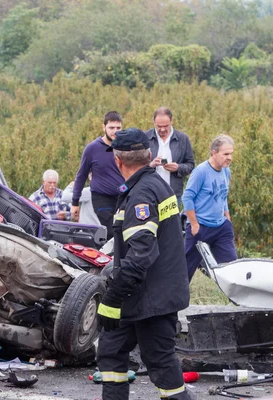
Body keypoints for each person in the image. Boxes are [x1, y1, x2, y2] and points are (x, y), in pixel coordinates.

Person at [96, 128, 191, 400]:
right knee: (111, 350)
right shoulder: (155, 184)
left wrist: (111, 300)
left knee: (161, 364)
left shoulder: (141, 195)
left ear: (118, 161)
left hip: (151, 298)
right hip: (139, 295)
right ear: (149, 155)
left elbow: (141, 255)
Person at [182, 134, 237, 282]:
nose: (229, 157)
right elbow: (187, 198)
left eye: (231, 154)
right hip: (200, 227)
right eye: (226, 154)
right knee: (186, 269)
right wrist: (193, 224)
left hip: (221, 227)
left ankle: (238, 299)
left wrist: (227, 217)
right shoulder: (201, 171)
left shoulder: (226, 170)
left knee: (232, 267)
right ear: (214, 153)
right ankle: (173, 300)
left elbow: (222, 194)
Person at [71, 111, 125, 239]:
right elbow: (81, 176)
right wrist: (74, 202)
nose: (115, 131)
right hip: (102, 198)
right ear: (104, 127)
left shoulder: (125, 147)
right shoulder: (92, 148)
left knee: (124, 230)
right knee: (112, 231)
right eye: (111, 128)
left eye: (118, 128)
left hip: (123, 196)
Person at [145, 107, 195, 207]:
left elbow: (190, 164)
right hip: (150, 193)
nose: (162, 129)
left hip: (174, 195)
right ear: (153, 122)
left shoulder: (182, 139)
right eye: (159, 126)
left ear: (172, 121)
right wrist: (151, 165)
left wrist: (178, 168)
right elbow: (136, 166)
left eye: (166, 126)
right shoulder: (145, 137)